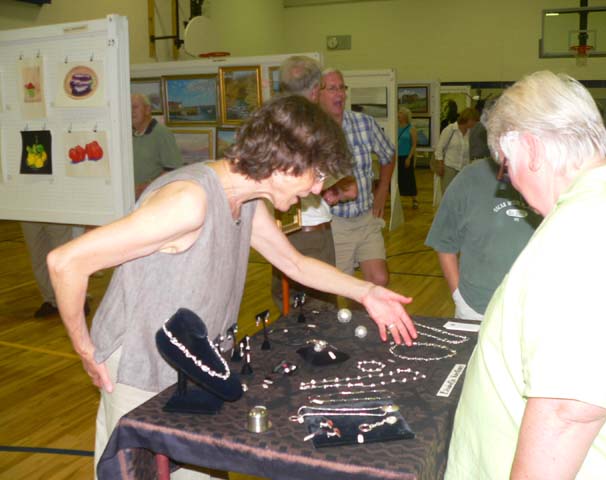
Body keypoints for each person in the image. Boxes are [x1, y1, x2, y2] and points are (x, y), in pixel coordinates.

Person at [47, 96, 417, 477]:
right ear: (285, 159)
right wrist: (86, 349)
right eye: (317, 174)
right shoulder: (190, 201)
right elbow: (66, 262)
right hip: (139, 369)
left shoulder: (248, 200)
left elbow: (294, 263)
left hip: (195, 365)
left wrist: (366, 292)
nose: (318, 188)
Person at [445, 71, 606, 479]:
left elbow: (567, 412)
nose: (511, 183)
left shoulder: (584, 229)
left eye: (507, 167)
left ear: (531, 149)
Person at [270, 55, 357, 310]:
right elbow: (349, 187)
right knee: (319, 310)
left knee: (288, 308)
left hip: (278, 231)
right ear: (315, 90)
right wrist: (337, 188)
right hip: (312, 235)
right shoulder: (318, 128)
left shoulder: (270, 123)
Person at [424, 132, 541, 320]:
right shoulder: (469, 178)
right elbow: (444, 243)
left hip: (537, 311)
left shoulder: (551, 177)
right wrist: (459, 298)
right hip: (476, 308)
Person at [318, 68, 396, 286]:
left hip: (365, 217)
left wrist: (382, 192)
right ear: (318, 93)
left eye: (342, 88)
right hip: (334, 222)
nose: (339, 94)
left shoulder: (365, 124)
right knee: (344, 287)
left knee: (379, 279)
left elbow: (388, 154)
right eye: (332, 88)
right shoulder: (312, 131)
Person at [20, 222, 88, 317]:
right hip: (28, 216)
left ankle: (77, 301)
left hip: (57, 215)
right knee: (38, 259)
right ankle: (51, 301)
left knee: (65, 259)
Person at [131, 93, 182, 198]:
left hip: (151, 197)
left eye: (135, 107)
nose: (131, 111)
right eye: (128, 108)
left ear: (147, 110)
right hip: (129, 198)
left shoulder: (162, 133)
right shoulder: (128, 134)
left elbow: (173, 170)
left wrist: (147, 187)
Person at [434, 107, 480, 192]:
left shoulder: (470, 133)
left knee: (461, 193)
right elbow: (439, 148)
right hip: (449, 167)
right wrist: (440, 165)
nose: (475, 123)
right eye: (474, 121)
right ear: (468, 119)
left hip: (464, 169)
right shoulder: (450, 129)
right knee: (448, 193)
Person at [397, 107, 419, 209]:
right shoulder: (395, 127)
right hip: (396, 156)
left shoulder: (411, 128)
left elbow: (414, 145)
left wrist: (409, 158)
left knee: (409, 178)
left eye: (400, 113)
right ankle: (397, 199)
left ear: (406, 116)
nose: (398, 114)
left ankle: (414, 199)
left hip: (406, 156)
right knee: (398, 178)